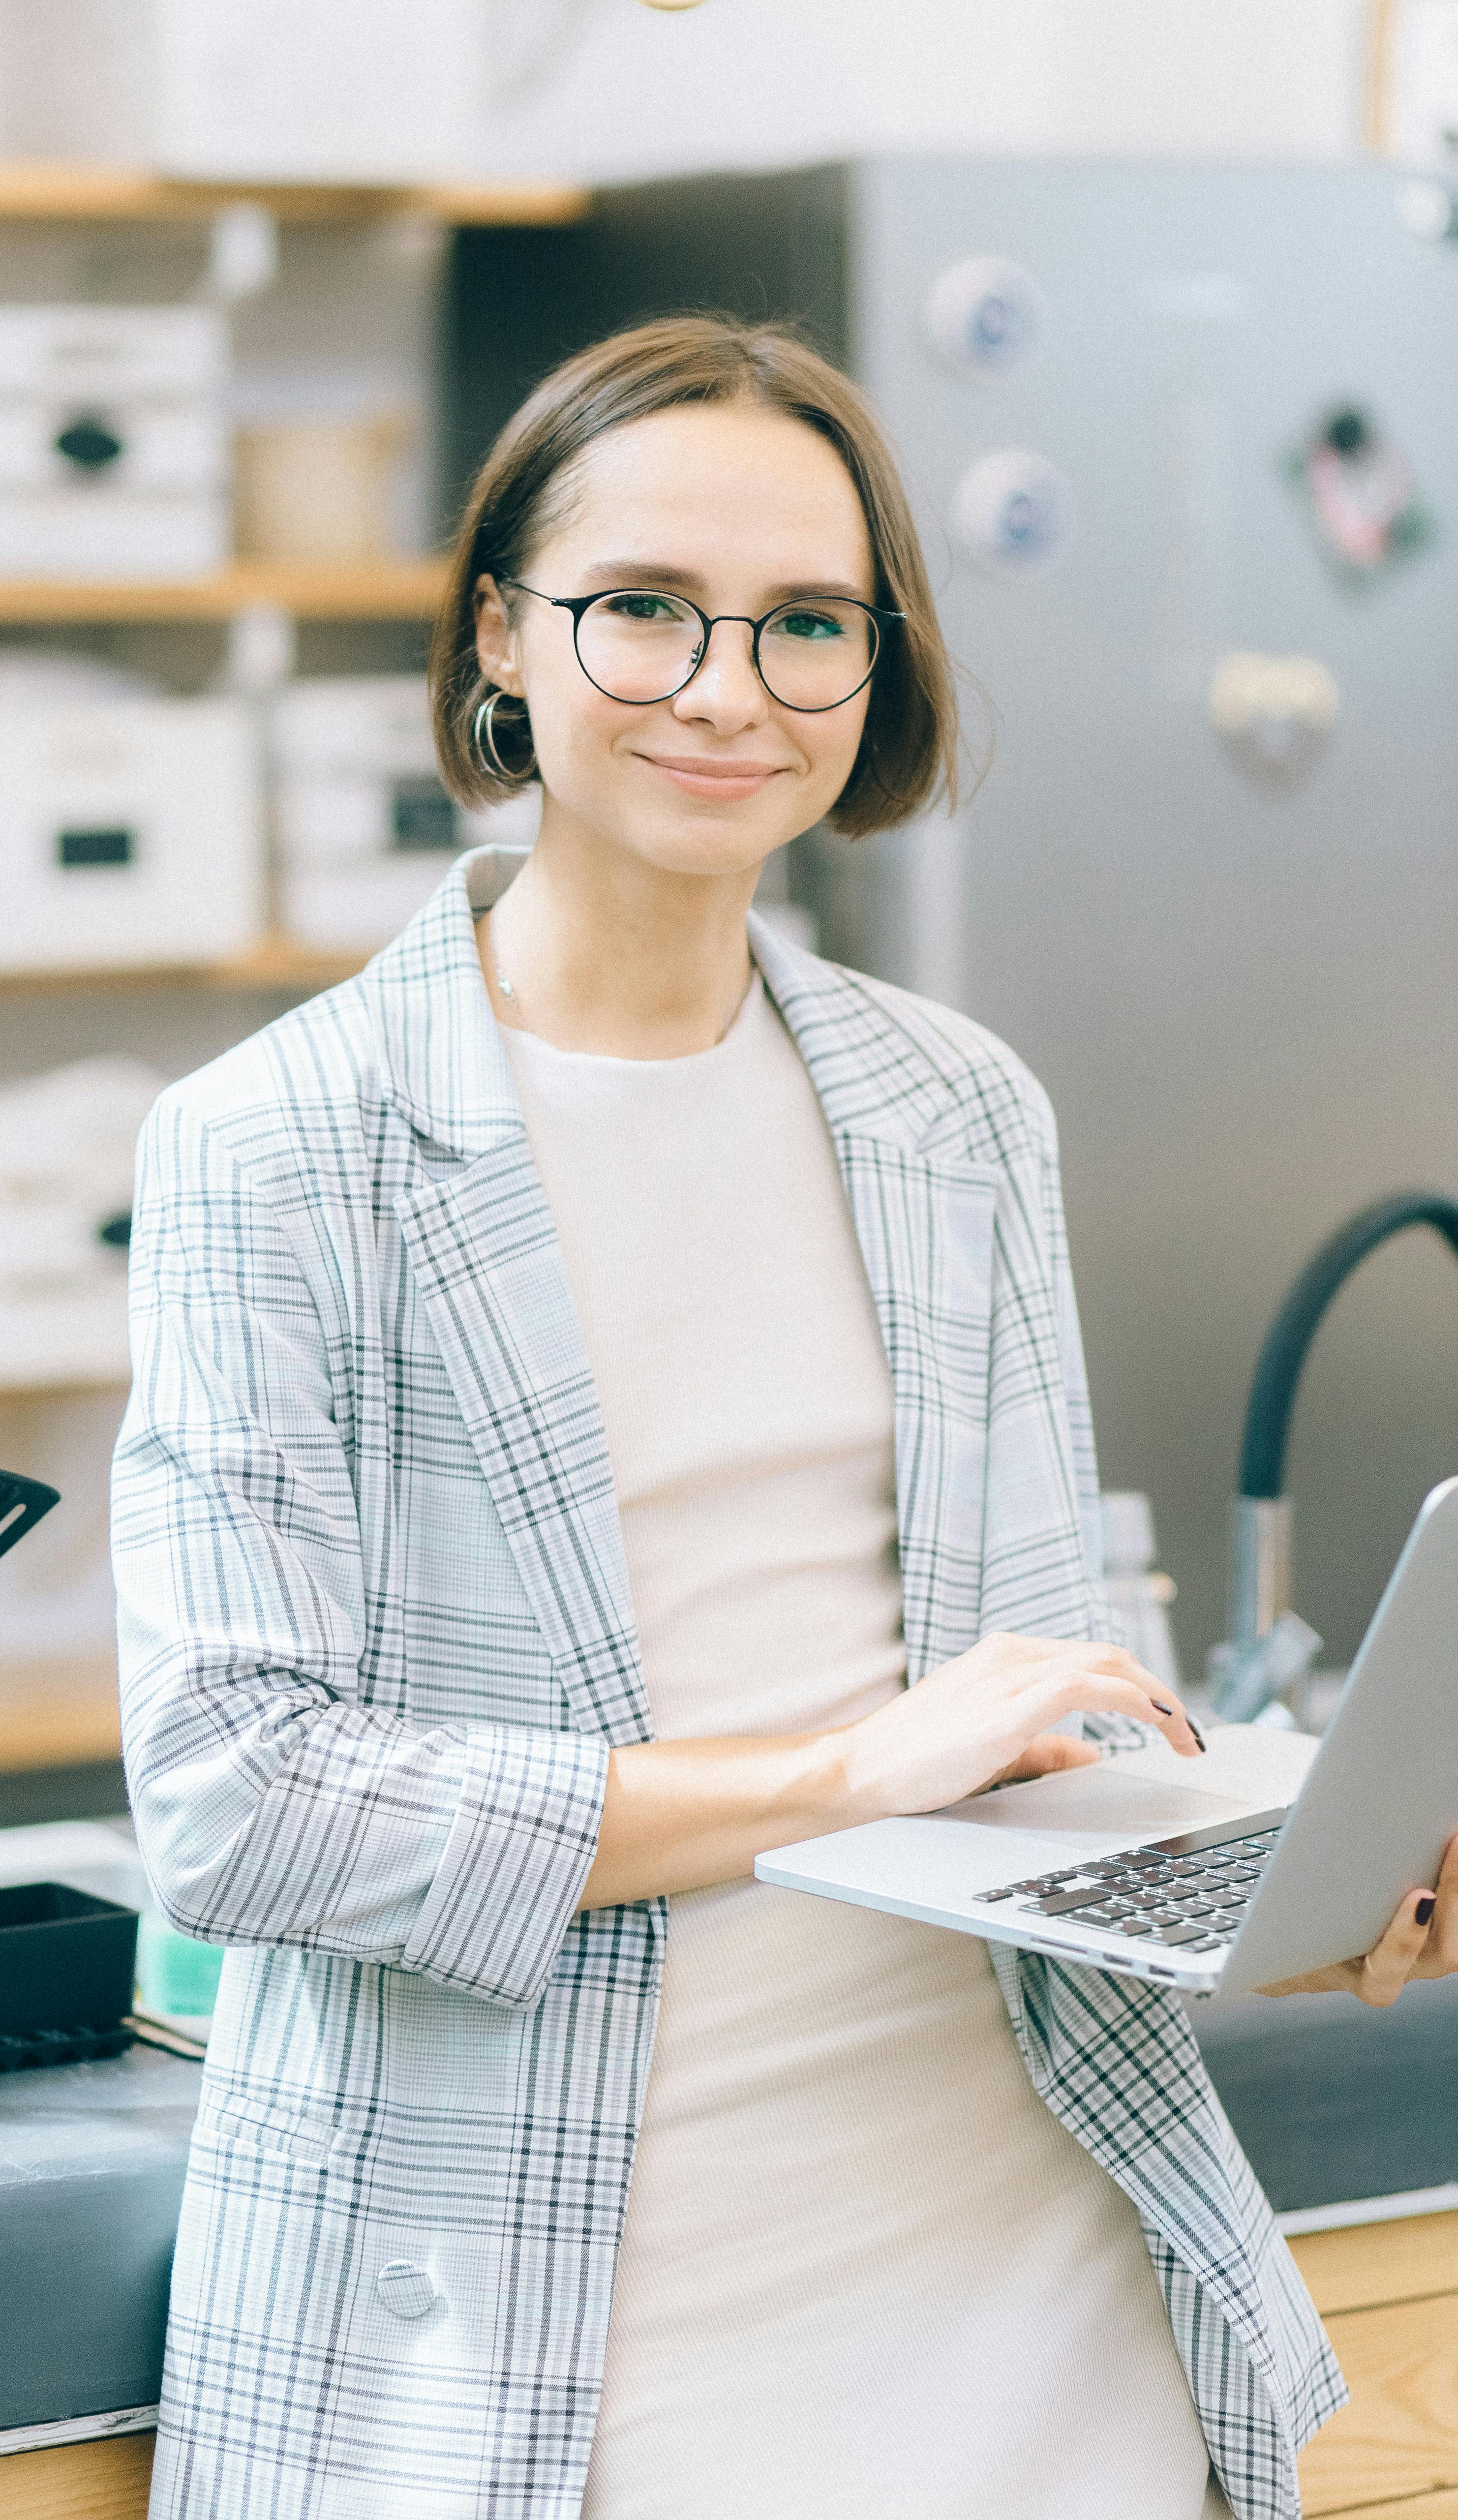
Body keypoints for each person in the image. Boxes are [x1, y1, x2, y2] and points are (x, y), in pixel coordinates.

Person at [114, 316, 1452, 2520]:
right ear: (503, 642)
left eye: (809, 624)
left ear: (875, 669)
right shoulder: (282, 1144)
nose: (728, 688)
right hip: (557, 2307)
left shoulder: (956, 1108)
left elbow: (1040, 1717)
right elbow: (245, 1805)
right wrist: (835, 1777)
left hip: (1035, 2255)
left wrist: (1299, 1884)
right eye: (645, 609)